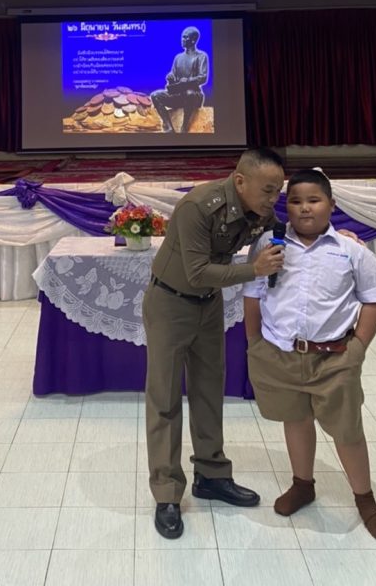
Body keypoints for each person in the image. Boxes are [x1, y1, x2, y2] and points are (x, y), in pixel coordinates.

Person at [143, 147, 287, 539]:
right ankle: (167, 493)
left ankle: (211, 475)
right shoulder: (198, 207)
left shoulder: (258, 209)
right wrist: (253, 269)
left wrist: (334, 235)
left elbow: (286, 232)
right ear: (240, 181)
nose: (273, 199)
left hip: (208, 305)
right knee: (165, 399)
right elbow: (196, 271)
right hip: (170, 303)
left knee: (209, 390)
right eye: (268, 190)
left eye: (278, 191)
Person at [243, 168, 376, 540]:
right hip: (280, 354)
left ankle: (365, 499)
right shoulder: (270, 244)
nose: (304, 208)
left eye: (314, 200)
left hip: (335, 357)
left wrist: (358, 348)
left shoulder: (350, 250)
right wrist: (255, 343)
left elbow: (374, 298)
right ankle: (303, 485)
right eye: (295, 201)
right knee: (295, 419)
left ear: (331, 204)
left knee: (347, 429)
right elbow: (253, 294)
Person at [150, 26, 209, 133]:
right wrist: (171, 78)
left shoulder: (201, 56)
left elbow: (203, 77)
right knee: (155, 95)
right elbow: (174, 77)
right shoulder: (178, 57)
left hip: (193, 95)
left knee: (189, 93)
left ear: (193, 40)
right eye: (182, 37)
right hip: (178, 95)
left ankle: (184, 126)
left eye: (186, 37)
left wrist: (188, 80)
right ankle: (169, 127)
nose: (183, 39)